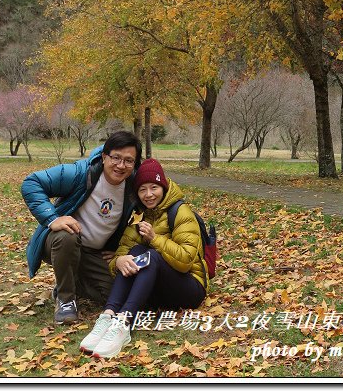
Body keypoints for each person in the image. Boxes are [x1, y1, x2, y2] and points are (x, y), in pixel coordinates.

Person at [79, 158, 208, 359]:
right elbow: (123, 252)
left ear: (163, 187)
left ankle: (124, 323)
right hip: (158, 291)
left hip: (190, 288)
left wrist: (155, 239)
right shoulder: (139, 215)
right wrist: (118, 261)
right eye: (142, 189)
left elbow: (186, 261)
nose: (148, 195)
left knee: (151, 255)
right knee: (137, 251)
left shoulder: (180, 211)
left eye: (154, 187)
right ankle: (108, 316)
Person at [21, 130, 142, 324]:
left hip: (95, 253)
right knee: (66, 235)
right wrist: (53, 219)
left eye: (128, 161)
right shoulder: (80, 173)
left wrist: (119, 252)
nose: (121, 165)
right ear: (104, 157)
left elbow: (157, 202)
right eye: (116, 158)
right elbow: (32, 183)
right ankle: (66, 299)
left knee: (115, 292)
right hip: (62, 242)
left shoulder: (134, 186)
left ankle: (69, 282)